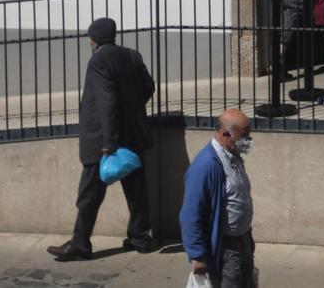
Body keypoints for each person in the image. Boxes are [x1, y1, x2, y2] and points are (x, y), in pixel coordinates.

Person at [47, 17, 156, 261]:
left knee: (89, 194)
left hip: (104, 141)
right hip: (133, 136)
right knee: (137, 191)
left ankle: (80, 243)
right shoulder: (132, 55)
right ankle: (140, 237)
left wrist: (108, 142)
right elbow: (149, 87)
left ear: (94, 39)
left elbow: (106, 101)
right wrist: (132, 109)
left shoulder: (98, 61)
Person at [181, 109, 257, 288]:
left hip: (243, 242)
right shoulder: (206, 166)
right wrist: (196, 255)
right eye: (245, 135)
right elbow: (191, 213)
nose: (248, 140)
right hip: (226, 250)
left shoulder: (233, 157)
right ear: (228, 134)